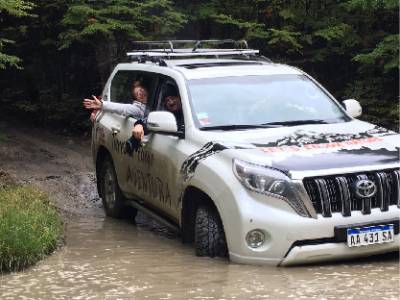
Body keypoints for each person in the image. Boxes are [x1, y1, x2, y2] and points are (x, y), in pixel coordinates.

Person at [83, 80, 148, 121]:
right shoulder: (137, 109)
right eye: (137, 94)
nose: (141, 93)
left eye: (141, 90)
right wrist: (102, 105)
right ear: (136, 99)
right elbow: (122, 108)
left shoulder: (152, 105)